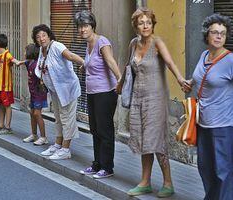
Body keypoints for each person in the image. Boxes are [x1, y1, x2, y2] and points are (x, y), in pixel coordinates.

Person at [116, 8, 187, 198]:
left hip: (156, 99)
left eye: (148, 22)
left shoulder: (157, 43)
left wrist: (180, 80)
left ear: (152, 24)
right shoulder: (133, 43)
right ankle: (145, 182)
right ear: (136, 26)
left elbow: (171, 63)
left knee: (156, 140)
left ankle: (168, 183)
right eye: (141, 23)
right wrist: (121, 83)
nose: (145, 26)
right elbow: (128, 66)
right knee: (142, 140)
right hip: (138, 98)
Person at [183, 13, 233, 200]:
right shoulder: (204, 55)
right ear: (207, 35)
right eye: (215, 32)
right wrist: (189, 83)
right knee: (205, 168)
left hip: (224, 126)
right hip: (202, 124)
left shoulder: (230, 61)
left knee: (224, 171)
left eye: (223, 33)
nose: (219, 36)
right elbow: (201, 79)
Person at [74, 10, 121, 178]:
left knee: (104, 129)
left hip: (106, 92)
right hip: (93, 92)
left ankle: (107, 167)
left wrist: (120, 81)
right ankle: (97, 164)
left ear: (92, 26)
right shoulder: (88, 44)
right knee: (94, 129)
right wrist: (84, 66)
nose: (82, 29)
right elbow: (94, 63)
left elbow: (110, 61)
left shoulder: (102, 41)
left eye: (85, 26)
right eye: (79, 27)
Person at [32, 24, 84, 160]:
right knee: (59, 118)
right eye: (38, 37)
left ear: (49, 35)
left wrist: (85, 64)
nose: (41, 39)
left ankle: (66, 149)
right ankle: (58, 144)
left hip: (67, 90)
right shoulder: (42, 50)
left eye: (43, 35)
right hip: (55, 91)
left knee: (67, 119)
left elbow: (70, 56)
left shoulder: (56, 46)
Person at [0, 33, 21, 134]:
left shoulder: (7, 54)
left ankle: (7, 127)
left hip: (6, 87)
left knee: (7, 106)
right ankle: (1, 125)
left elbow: (13, 60)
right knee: (1, 105)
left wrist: (18, 62)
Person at [21, 44, 48, 146]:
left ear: (30, 52)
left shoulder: (36, 64)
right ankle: (34, 134)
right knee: (32, 113)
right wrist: (20, 62)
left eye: (25, 51)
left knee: (37, 113)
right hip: (33, 94)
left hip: (39, 93)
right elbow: (26, 62)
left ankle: (43, 137)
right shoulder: (30, 63)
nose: (24, 53)